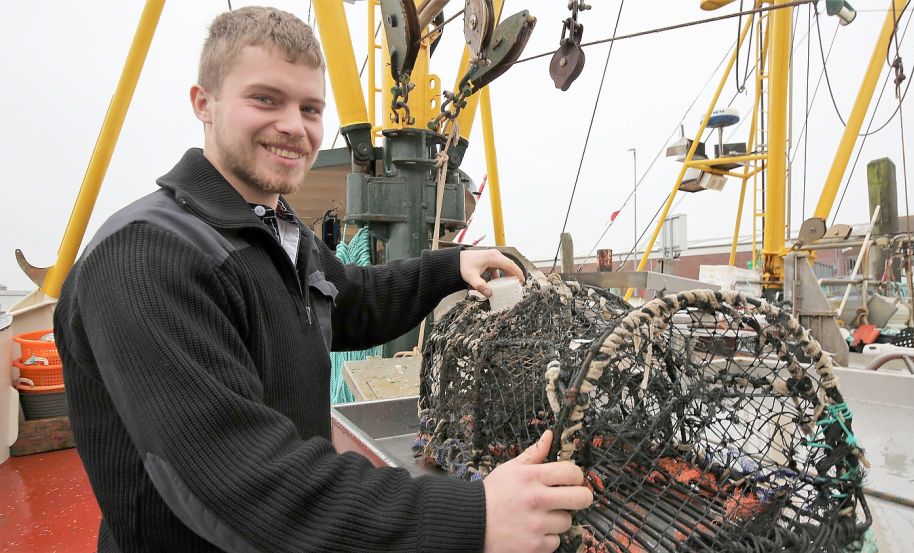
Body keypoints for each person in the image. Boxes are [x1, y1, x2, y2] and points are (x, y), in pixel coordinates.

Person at [53, 6, 591, 553]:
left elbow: (352, 300)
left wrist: (448, 268)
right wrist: (472, 516)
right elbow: (243, 483)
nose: (294, 126)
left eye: (310, 108)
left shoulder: (276, 230)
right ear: (204, 104)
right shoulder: (146, 257)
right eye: (265, 99)